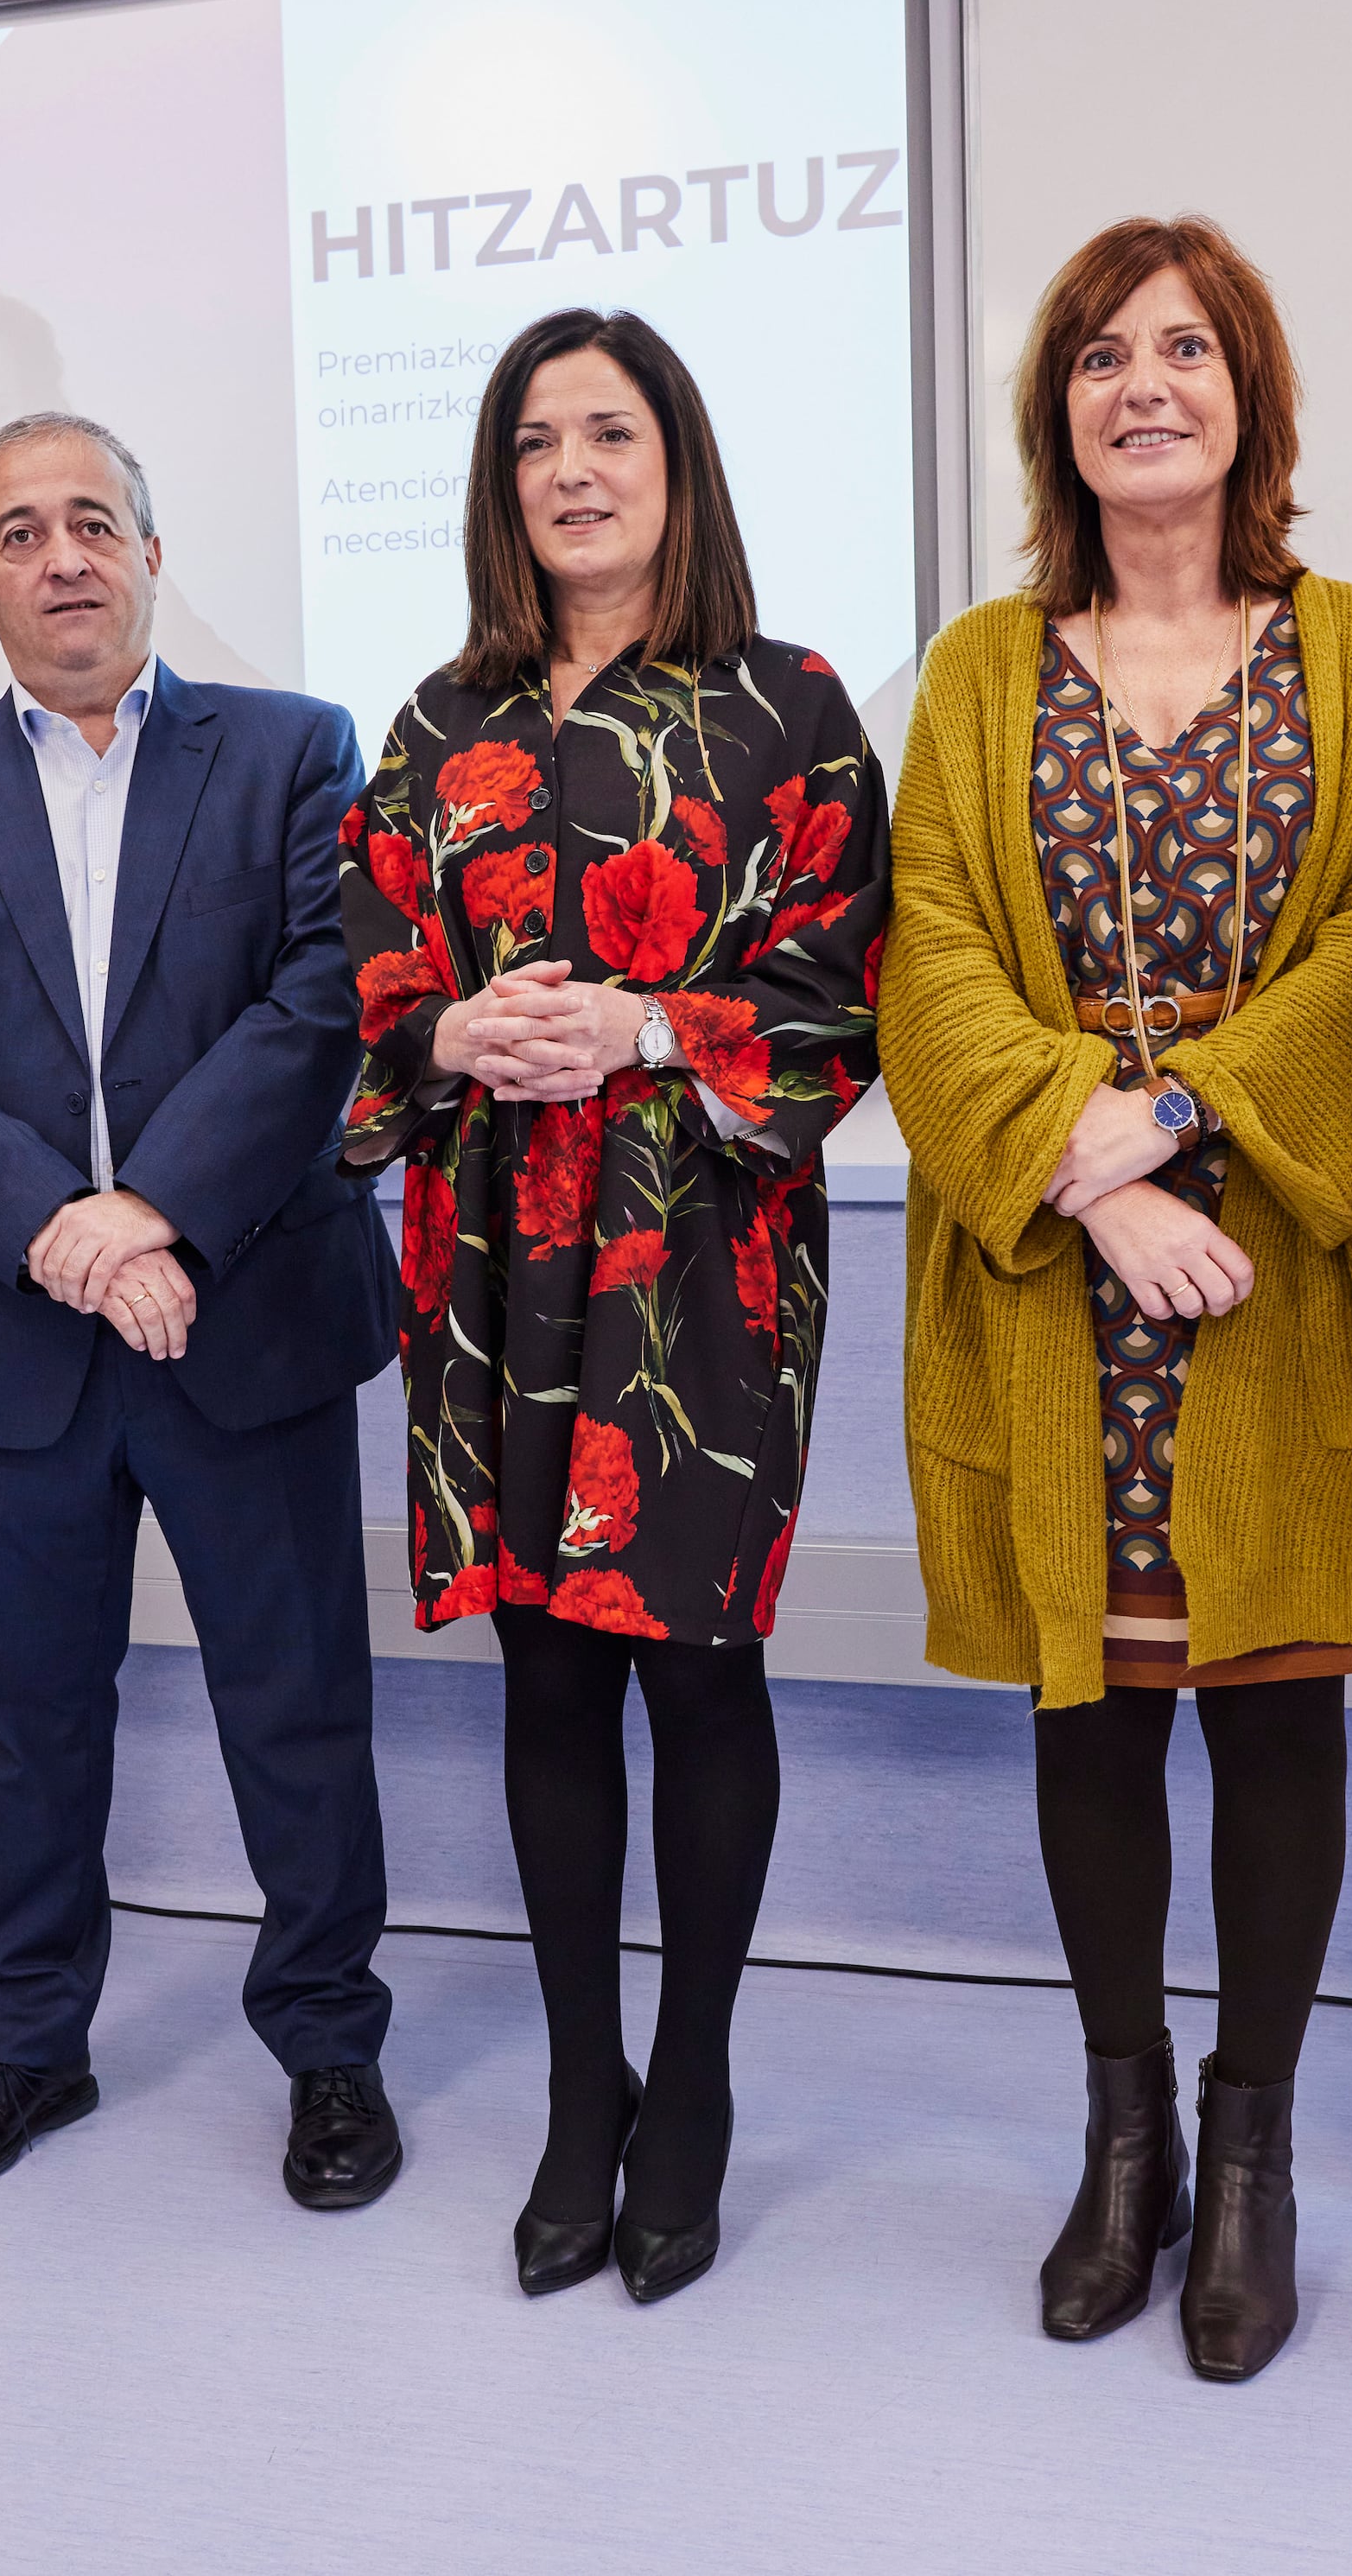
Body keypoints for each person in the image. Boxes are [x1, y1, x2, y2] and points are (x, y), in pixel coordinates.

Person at [880, 218, 1352, 2382]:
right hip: (1063, 1278)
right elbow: (928, 946)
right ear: (1060, 409)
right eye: (1103, 353)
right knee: (1090, 1705)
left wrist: (1181, 1111)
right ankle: (1119, 2132)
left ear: (1247, 399)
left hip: (1278, 1266)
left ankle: (1249, 2150)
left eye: (1186, 350)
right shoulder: (973, 668)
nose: (1144, 383)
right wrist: (1093, 1175)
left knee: (1274, 1703)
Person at [339, 308, 886, 2306]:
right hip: (487, 1254)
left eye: (611, 432)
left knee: (697, 1667)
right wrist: (457, 1022)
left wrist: (651, 1020)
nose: (573, 469)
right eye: (535, 442)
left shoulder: (792, 703)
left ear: (677, 461)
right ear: (500, 484)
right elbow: (371, 986)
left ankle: (699, 2092)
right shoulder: (430, 720)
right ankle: (586, 2086)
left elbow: (847, 993)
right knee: (546, 1675)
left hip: (700, 1256)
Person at [0, 410, 403, 2213]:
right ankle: (30, 2045)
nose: (62, 555)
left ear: (155, 553)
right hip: (18, 1338)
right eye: (21, 527)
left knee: (295, 1703)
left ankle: (327, 2047)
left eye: (95, 521)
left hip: (244, 1314)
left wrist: (151, 1213)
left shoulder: (296, 749)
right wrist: (67, 1234)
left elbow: (325, 1000)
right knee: (25, 1715)